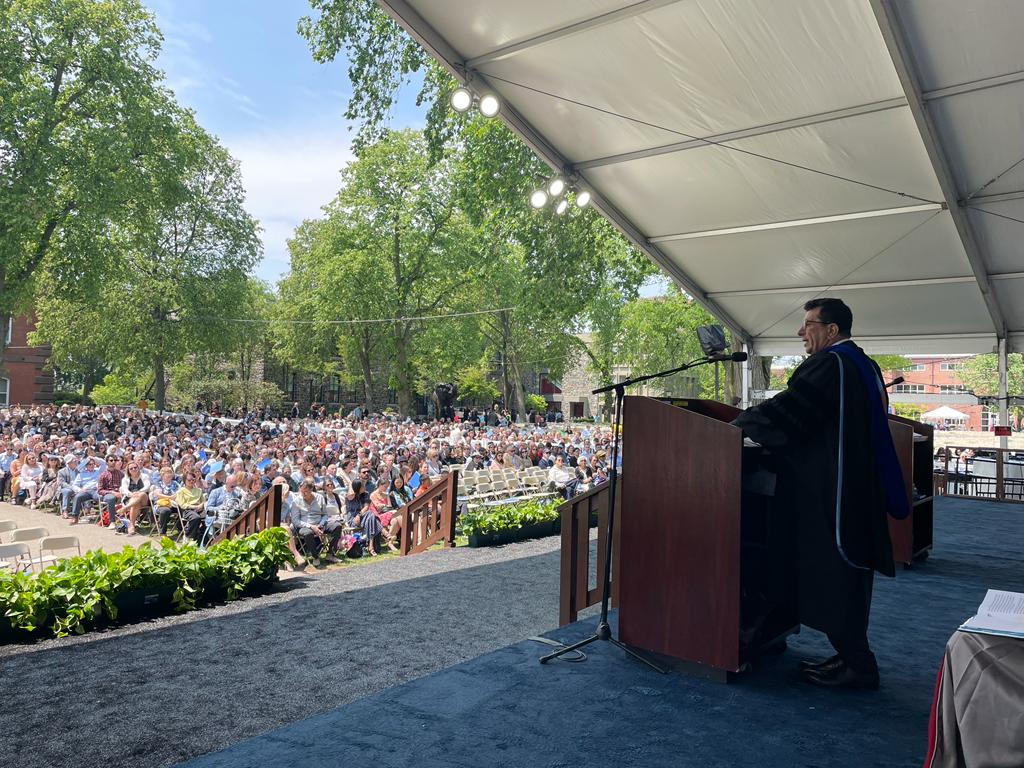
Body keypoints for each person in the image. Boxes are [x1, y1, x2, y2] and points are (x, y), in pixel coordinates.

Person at [732, 298, 904, 691]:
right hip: (856, 488)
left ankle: (859, 665)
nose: (800, 331)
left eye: (809, 323)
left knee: (830, 573)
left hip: (834, 494)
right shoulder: (862, 364)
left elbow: (790, 411)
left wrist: (739, 424)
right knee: (845, 576)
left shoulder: (832, 364)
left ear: (831, 330)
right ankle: (850, 656)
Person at [119, 460, 151, 535]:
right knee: (135, 503)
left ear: (138, 468)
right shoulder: (125, 479)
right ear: (128, 470)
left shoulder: (144, 476)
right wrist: (131, 494)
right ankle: (132, 526)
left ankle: (125, 508)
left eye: (135, 467)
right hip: (130, 499)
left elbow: (147, 486)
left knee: (141, 494)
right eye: (131, 468)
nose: (134, 469)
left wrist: (138, 491)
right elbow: (124, 490)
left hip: (144, 499)